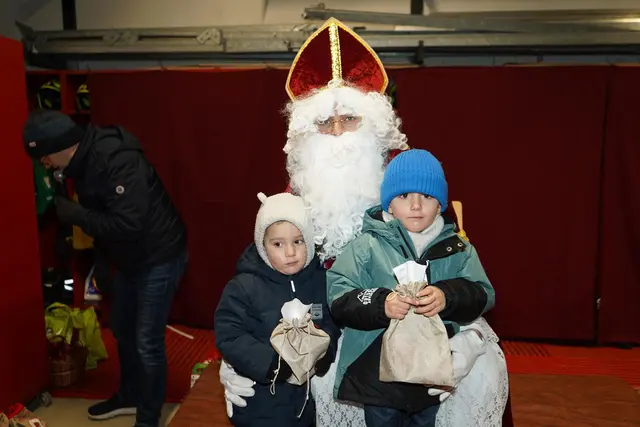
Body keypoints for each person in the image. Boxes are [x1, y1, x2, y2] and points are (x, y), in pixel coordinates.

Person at [219, 17, 509, 427]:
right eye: (325, 122)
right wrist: (238, 356)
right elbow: (261, 273)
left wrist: (472, 336)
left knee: (480, 374)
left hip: (410, 328)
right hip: (327, 328)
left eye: (350, 119)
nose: (338, 133)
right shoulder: (297, 191)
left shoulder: (408, 184)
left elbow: (453, 266)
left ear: (374, 123)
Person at [23, 109, 188, 427]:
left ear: (59, 146)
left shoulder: (116, 159)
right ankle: (130, 395)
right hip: (126, 258)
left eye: (43, 156)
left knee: (147, 341)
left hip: (159, 254)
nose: (44, 164)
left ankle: (148, 418)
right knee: (123, 329)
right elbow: (103, 214)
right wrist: (102, 264)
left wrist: (77, 215)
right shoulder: (78, 164)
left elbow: (129, 223)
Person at [327, 149, 495, 427]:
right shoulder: (366, 246)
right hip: (377, 371)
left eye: (427, 196)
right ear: (389, 205)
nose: (416, 205)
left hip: (429, 370)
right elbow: (338, 293)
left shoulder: (459, 249)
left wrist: (447, 296)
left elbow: (483, 293)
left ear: (440, 205)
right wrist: (381, 303)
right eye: (404, 196)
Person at [214, 192, 341, 426]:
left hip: (302, 407)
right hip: (260, 406)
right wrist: (271, 364)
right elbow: (230, 335)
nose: (290, 252)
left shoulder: (319, 281)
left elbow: (329, 321)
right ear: (262, 246)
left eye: (298, 241)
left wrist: (325, 351)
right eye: (278, 244)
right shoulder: (244, 287)